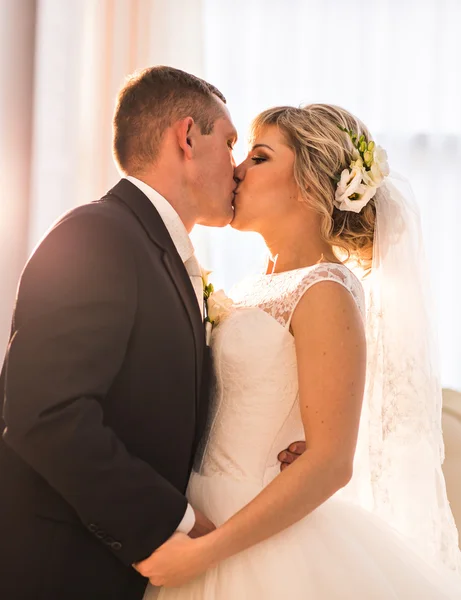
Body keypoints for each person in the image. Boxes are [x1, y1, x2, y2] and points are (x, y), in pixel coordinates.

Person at [138, 104, 461, 599]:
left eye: (261, 157)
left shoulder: (326, 288)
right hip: (197, 508)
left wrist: (204, 553)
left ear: (308, 183)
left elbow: (332, 463)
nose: (238, 170)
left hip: (251, 543)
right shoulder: (250, 286)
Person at [0, 67, 299, 600]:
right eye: (230, 143)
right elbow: (45, 413)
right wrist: (172, 521)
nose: (237, 169)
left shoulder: (151, 247)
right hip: (61, 568)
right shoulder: (96, 235)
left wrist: (279, 443)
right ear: (187, 137)